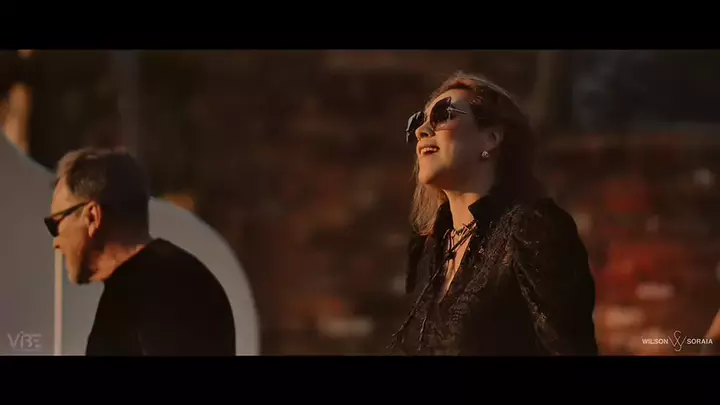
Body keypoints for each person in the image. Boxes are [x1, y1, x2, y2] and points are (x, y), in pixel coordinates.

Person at [389, 72, 598, 356]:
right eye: (419, 120)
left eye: (443, 115)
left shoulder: (531, 227)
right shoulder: (432, 249)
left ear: (491, 138)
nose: (422, 131)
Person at [45, 148, 236, 356]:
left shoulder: (142, 299)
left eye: (56, 224)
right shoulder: (191, 279)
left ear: (92, 217)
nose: (56, 242)